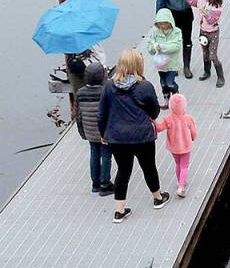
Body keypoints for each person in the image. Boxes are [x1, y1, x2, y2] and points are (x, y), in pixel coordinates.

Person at [97, 48, 170, 223]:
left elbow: (102, 115)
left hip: (117, 138)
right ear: (138, 65)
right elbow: (154, 111)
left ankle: (119, 211)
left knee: (123, 170)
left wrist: (103, 135)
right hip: (142, 136)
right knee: (148, 166)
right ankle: (158, 198)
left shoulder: (108, 87)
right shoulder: (145, 86)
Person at [156, 0, 201, 79]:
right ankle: (173, 66)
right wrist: (159, 17)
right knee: (172, 41)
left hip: (186, 12)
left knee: (187, 40)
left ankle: (186, 67)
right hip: (172, 13)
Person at [75, 61, 113, 196]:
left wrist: (82, 132)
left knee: (94, 154)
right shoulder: (105, 91)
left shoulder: (80, 93)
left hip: (89, 131)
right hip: (104, 131)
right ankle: (105, 184)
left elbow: (78, 115)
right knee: (106, 155)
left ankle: (95, 183)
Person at [155, 93, 197, 198]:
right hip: (186, 146)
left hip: (174, 147)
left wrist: (153, 120)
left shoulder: (167, 119)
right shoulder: (188, 118)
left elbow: (159, 128)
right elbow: (193, 133)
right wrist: (193, 138)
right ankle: (181, 187)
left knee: (178, 164)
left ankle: (180, 181)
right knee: (184, 166)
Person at [188, 0, 225, 87]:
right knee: (205, 54)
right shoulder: (201, 1)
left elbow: (211, 21)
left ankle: (220, 77)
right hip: (203, 31)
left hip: (213, 33)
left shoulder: (217, 7)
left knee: (212, 55)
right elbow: (189, 0)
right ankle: (207, 72)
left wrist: (205, 13)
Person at [147, 8, 182, 102]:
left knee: (170, 83)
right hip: (161, 64)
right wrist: (154, 47)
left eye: (164, 23)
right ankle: (167, 100)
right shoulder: (155, 33)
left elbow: (176, 46)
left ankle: (176, 97)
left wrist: (161, 47)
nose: (162, 26)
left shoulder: (177, 32)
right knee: (163, 83)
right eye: (160, 23)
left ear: (169, 22)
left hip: (172, 64)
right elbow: (149, 47)